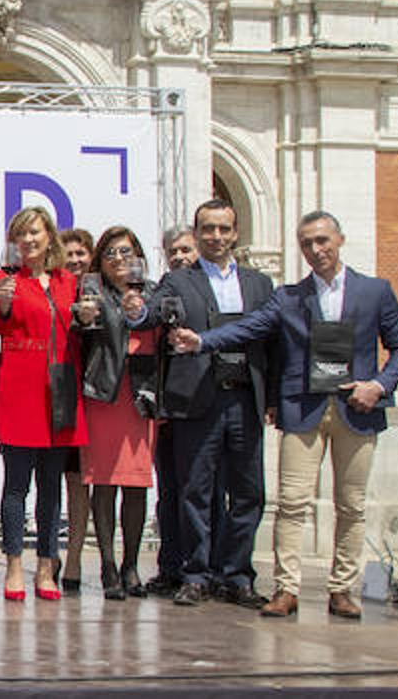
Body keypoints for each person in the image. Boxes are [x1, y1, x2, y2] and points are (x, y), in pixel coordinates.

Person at [172, 211, 398, 620]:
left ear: (339, 239)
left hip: (357, 408)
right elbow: (248, 328)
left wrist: (379, 385)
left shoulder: (375, 291)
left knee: (351, 504)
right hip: (303, 409)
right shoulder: (288, 297)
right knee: (291, 503)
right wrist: (202, 341)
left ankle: (342, 589)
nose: (315, 250)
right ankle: (287, 588)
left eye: (322, 241)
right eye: (306, 243)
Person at [149, 199, 274, 609]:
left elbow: (272, 342)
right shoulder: (178, 281)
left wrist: (271, 399)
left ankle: (236, 574)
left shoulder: (259, 285)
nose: (216, 237)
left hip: (244, 399)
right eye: (208, 229)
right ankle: (196, 573)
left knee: (248, 492)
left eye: (223, 229)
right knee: (195, 492)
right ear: (197, 234)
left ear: (236, 233)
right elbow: (154, 312)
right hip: (198, 399)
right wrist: (138, 312)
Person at [0, 205, 86, 602]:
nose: (28, 240)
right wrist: (5, 303)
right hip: (17, 390)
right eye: (21, 234)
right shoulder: (3, 278)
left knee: (50, 488)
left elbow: (78, 328)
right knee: (16, 486)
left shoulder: (68, 282)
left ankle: (47, 564)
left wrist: (87, 316)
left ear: (49, 237)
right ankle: (13, 564)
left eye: (35, 233)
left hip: (58, 391)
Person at [72, 226, 158, 601]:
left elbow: (172, 317)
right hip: (105, 396)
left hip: (142, 398)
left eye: (125, 252)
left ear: (137, 256)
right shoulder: (94, 293)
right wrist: (85, 317)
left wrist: (145, 309)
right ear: (100, 263)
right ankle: (107, 565)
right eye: (110, 254)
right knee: (104, 483)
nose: (119, 260)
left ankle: (131, 564)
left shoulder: (154, 292)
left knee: (136, 484)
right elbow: (81, 330)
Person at [146, 223, 200, 596]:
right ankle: (171, 567)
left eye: (186, 249)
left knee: (199, 491)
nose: (180, 257)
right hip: (167, 405)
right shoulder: (163, 289)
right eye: (173, 251)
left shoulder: (211, 289)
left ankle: (202, 569)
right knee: (169, 490)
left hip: (204, 403)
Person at [57, 227, 96, 594]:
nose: (75, 260)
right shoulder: (58, 289)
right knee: (64, 478)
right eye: (68, 254)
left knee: (83, 483)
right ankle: (51, 555)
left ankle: (74, 557)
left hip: (98, 396)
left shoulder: (101, 291)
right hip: (63, 392)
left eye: (81, 253)